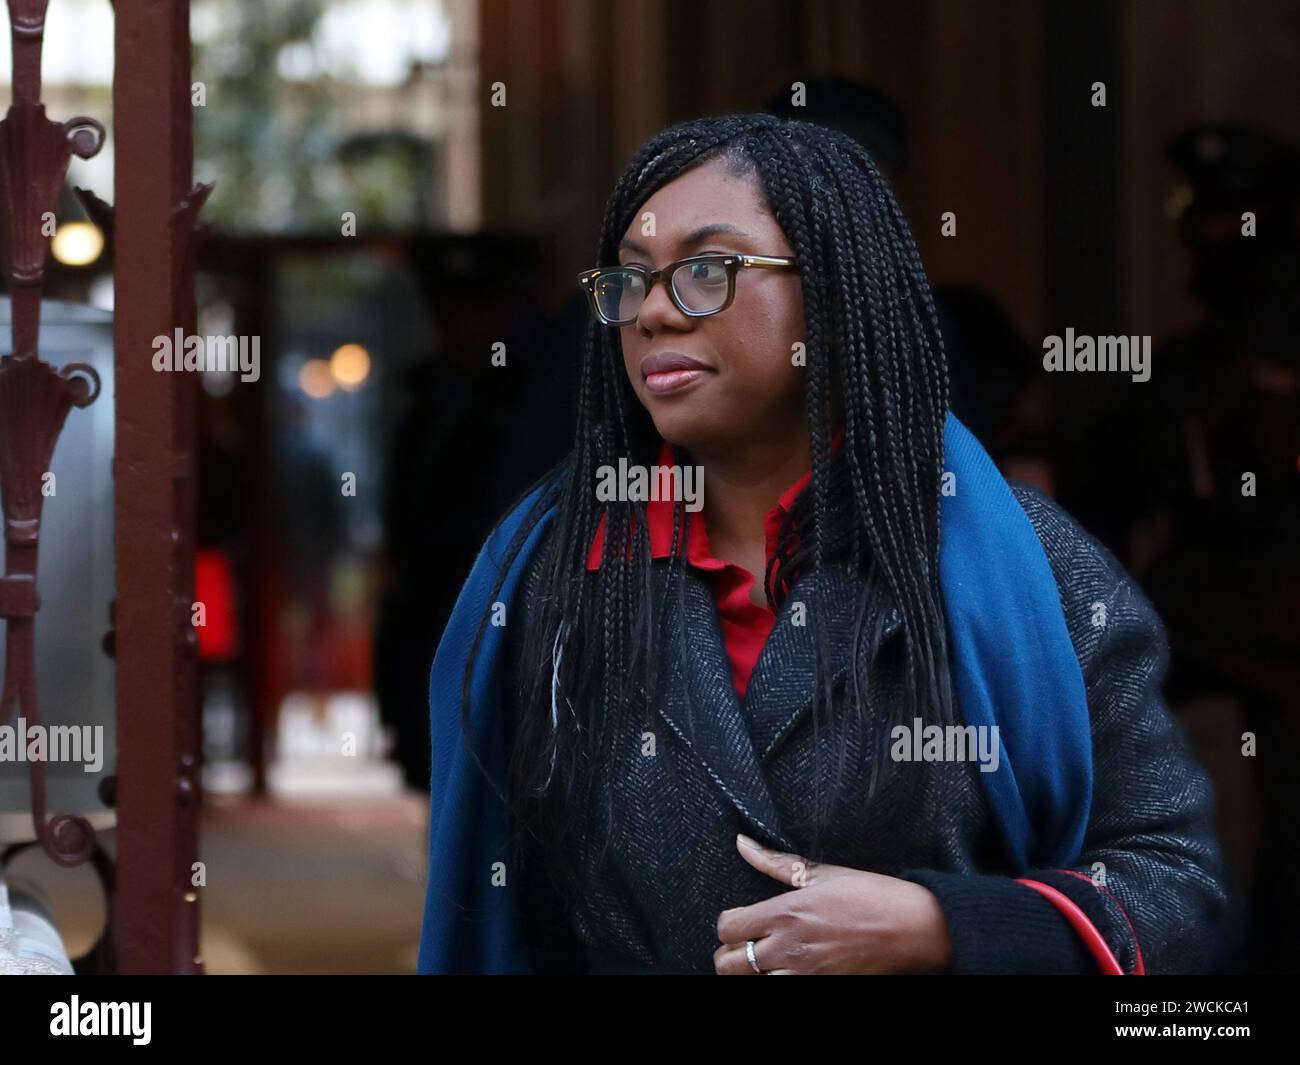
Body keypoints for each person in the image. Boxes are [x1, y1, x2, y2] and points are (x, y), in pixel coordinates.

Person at [418, 113, 1228, 975]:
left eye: (705, 270)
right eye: (630, 280)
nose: (652, 311)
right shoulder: (550, 574)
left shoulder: (1020, 564)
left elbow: (1175, 888)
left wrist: (940, 924)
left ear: (836, 295)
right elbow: (509, 918)